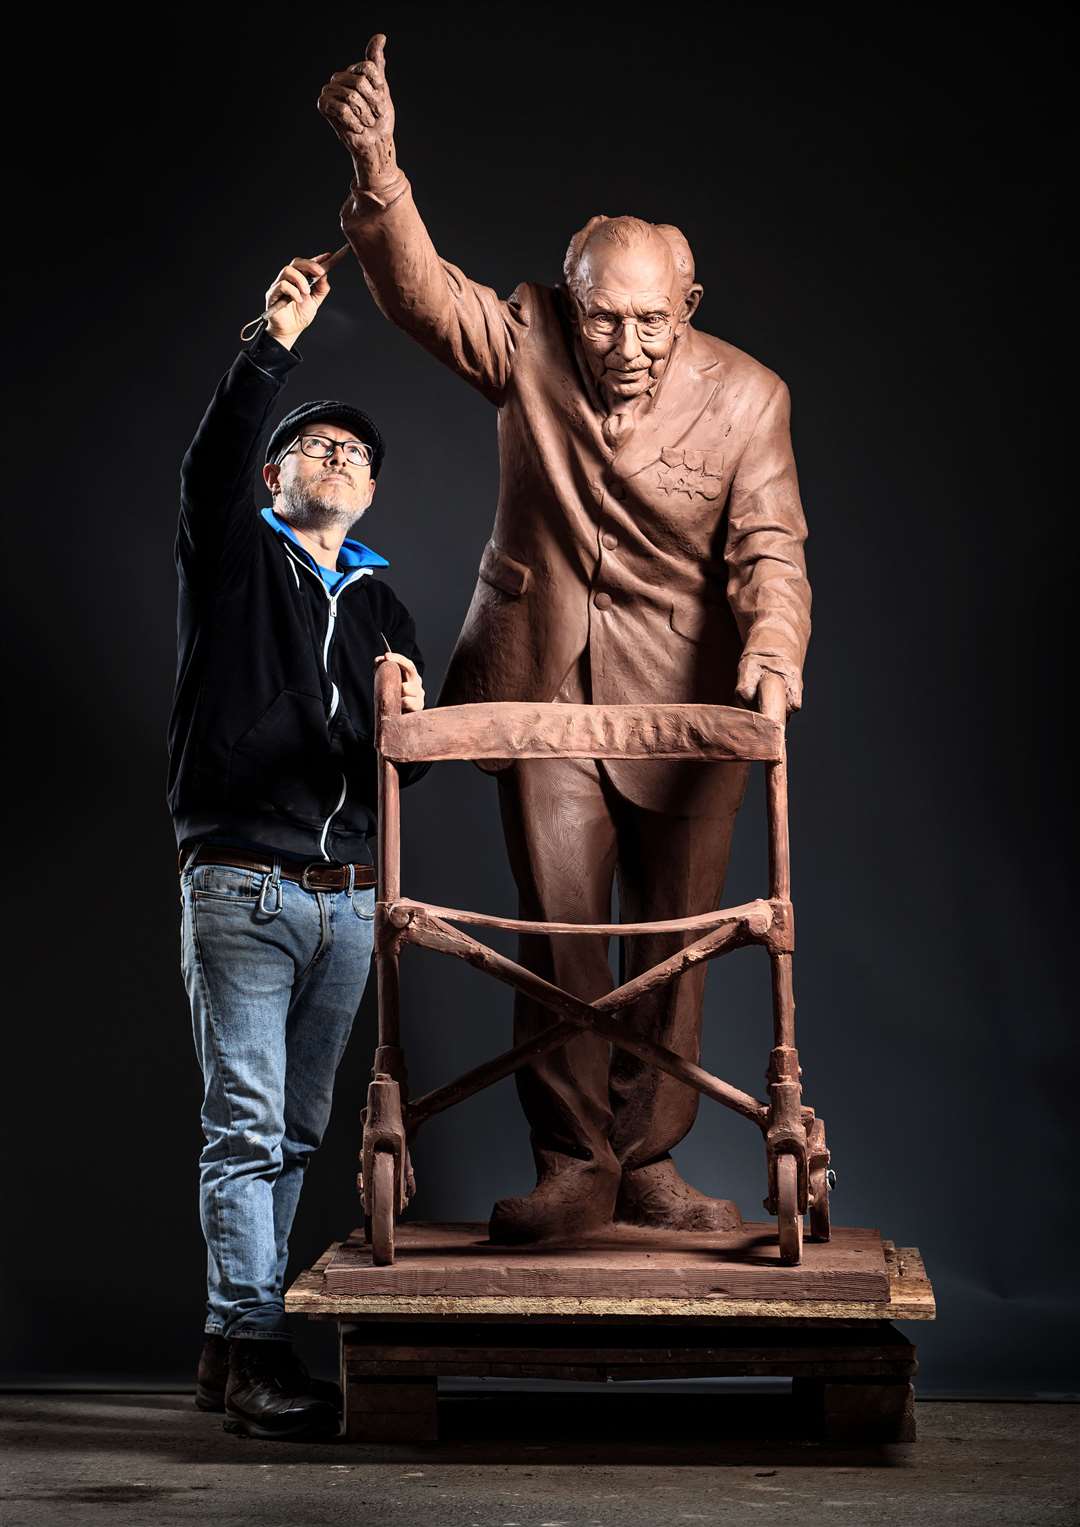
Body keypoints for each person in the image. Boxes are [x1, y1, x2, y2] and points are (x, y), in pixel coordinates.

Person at [318, 36, 811, 1246]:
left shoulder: (751, 397)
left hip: (690, 704)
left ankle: (651, 1160)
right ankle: (572, 1162)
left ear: (687, 310)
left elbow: (771, 550)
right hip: (540, 684)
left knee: (681, 945)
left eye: (650, 323)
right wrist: (381, 164)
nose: (625, 348)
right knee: (559, 940)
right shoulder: (530, 336)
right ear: (568, 300)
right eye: (602, 320)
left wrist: (774, 649)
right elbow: (423, 295)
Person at [168, 250, 426, 1439]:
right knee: (246, 1125)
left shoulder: (380, 602)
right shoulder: (236, 551)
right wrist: (271, 344)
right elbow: (213, 462)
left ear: (370, 493)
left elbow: (402, 766)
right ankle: (258, 1348)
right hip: (243, 884)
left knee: (299, 1137)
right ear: (278, 475)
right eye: (319, 447)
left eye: (357, 456)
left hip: (347, 901)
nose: (340, 460)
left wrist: (412, 717)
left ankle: (232, 1355)